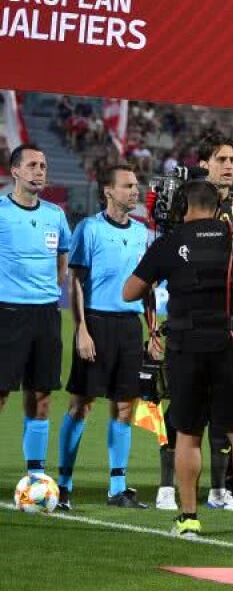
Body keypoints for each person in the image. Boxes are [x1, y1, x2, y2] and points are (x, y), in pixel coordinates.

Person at [123, 180, 233, 539]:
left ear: (183, 205)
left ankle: (188, 519)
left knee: (188, 433)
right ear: (219, 206)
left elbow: (129, 291)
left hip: (186, 347)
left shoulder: (170, 242)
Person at [58, 165, 154, 510]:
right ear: (108, 192)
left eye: (136, 185)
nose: (135, 190)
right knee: (81, 405)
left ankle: (118, 488)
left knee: (126, 406)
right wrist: (81, 329)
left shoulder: (143, 233)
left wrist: (152, 330)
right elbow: (77, 283)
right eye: (127, 186)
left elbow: (148, 289)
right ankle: (64, 486)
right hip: (95, 325)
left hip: (130, 327)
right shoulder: (89, 229)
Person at [0, 144, 71, 476]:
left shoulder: (54, 214)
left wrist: (53, 286)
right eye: (32, 165)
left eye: (43, 165)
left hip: (46, 314)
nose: (39, 170)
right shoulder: (1, 210)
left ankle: (36, 474)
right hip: (8, 313)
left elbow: (63, 256)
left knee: (42, 394)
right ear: (15, 171)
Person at [195, 135, 233, 510]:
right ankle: (170, 488)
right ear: (204, 164)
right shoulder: (191, 202)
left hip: (230, 319)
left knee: (226, 405)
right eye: (221, 159)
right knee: (187, 405)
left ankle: (218, 490)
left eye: (232, 159)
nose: (229, 165)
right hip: (196, 317)